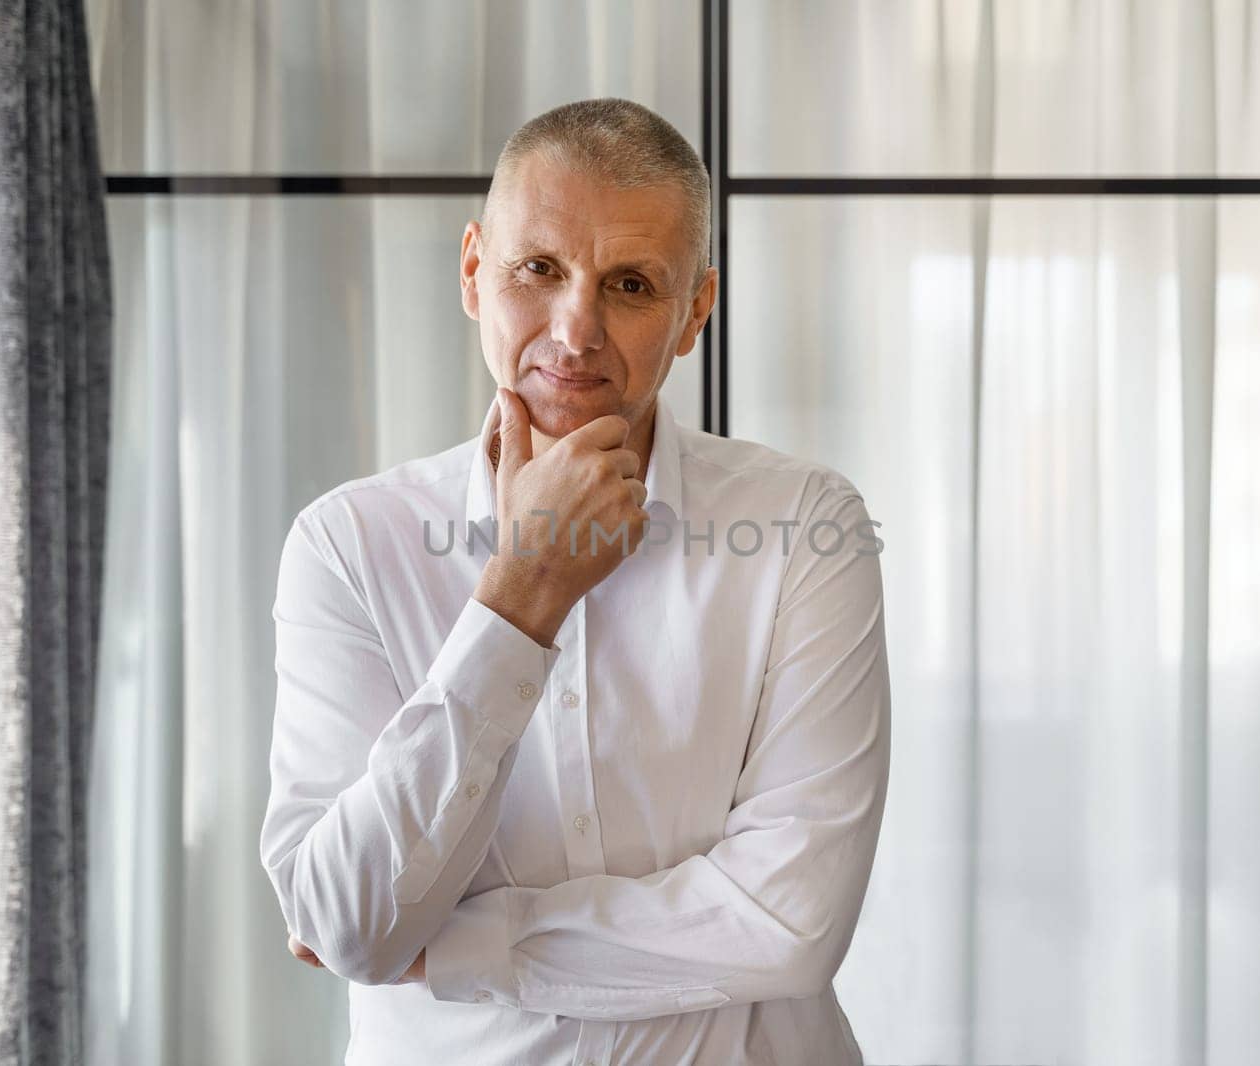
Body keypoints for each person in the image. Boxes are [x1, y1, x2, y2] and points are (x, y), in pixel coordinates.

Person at [259, 97, 890, 1065]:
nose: (575, 327)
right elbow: (349, 921)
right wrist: (521, 594)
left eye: (631, 284)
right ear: (474, 272)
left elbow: (788, 921)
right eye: (537, 269)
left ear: (694, 315)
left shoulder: (808, 527)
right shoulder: (348, 545)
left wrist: (459, 943)